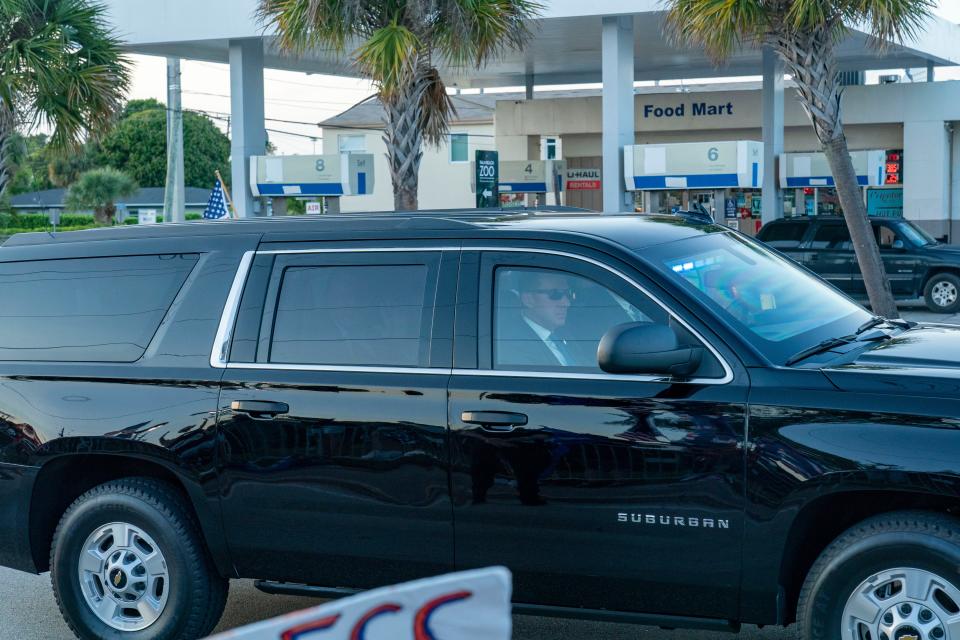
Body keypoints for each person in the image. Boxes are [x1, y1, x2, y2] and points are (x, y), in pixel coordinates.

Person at [497, 270, 580, 368]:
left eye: (568, 293)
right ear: (528, 300)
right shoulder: (512, 346)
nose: (566, 303)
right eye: (555, 294)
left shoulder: (565, 333)